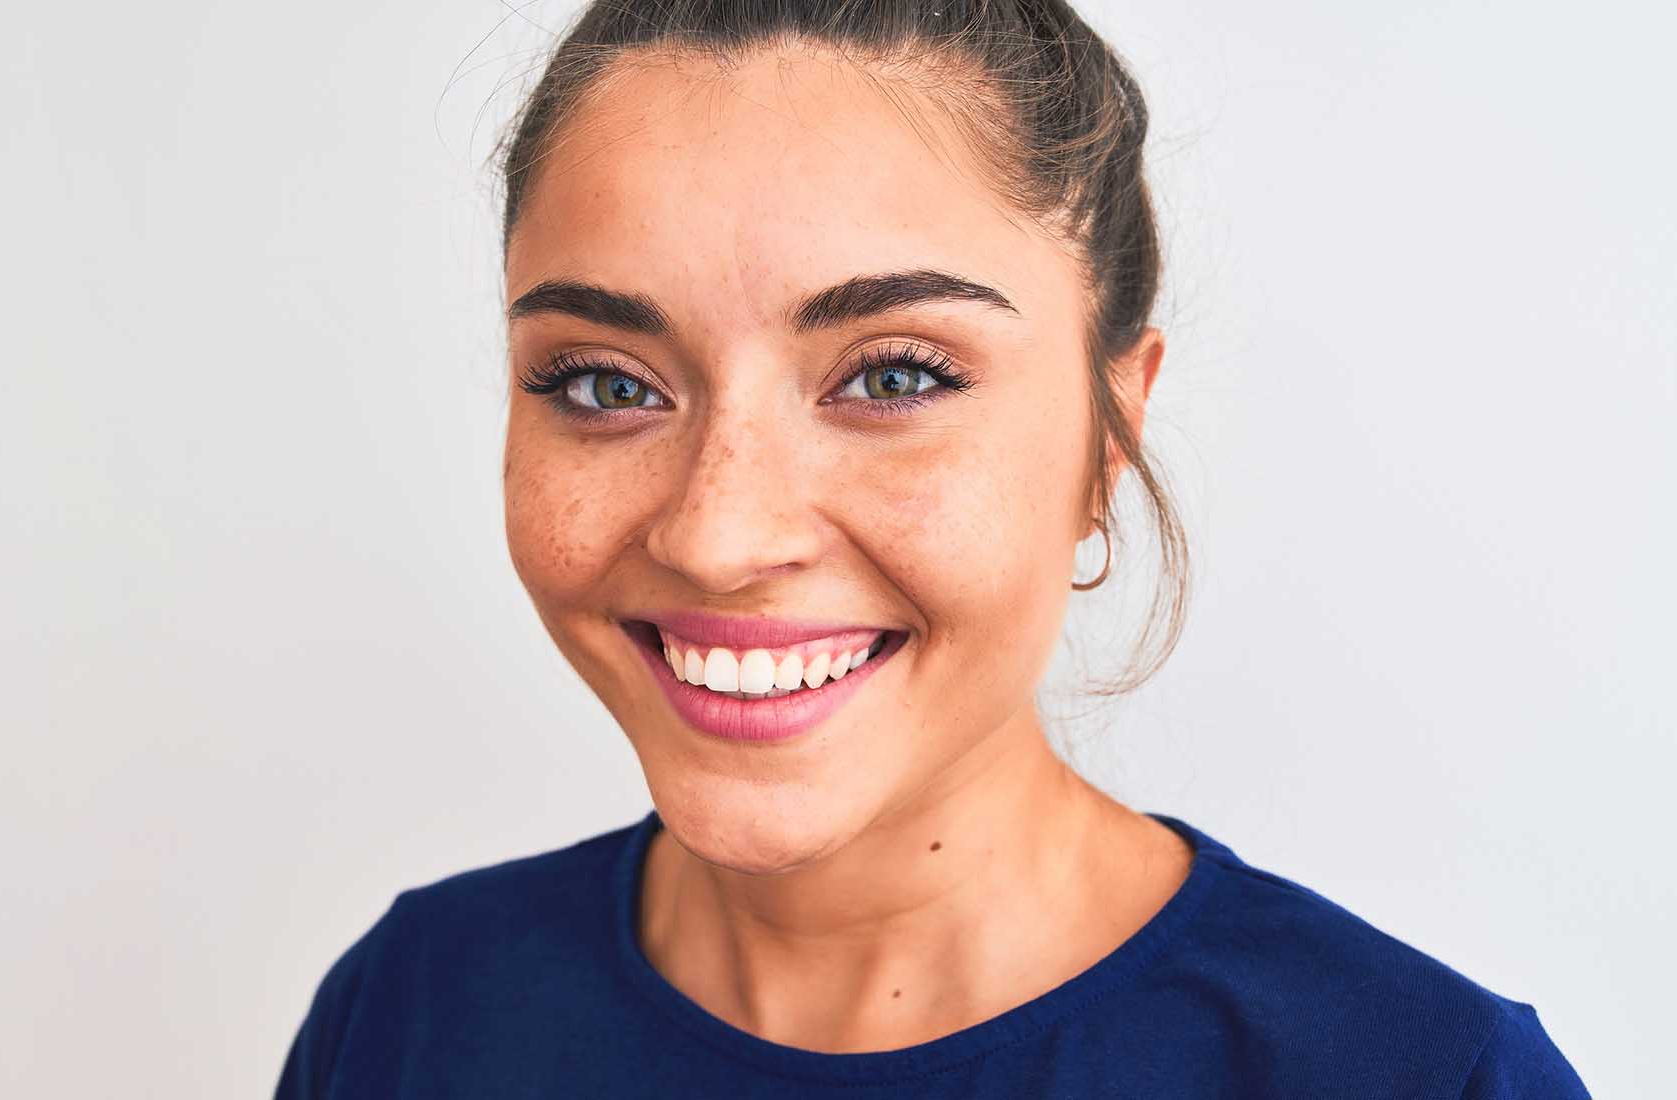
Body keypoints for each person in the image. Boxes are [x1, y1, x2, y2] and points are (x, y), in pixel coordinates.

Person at [274, 2, 1590, 1096]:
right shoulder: (410, 1014)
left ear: (1107, 437)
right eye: (607, 384)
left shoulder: (1419, 1078)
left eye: (895, 375)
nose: (722, 535)